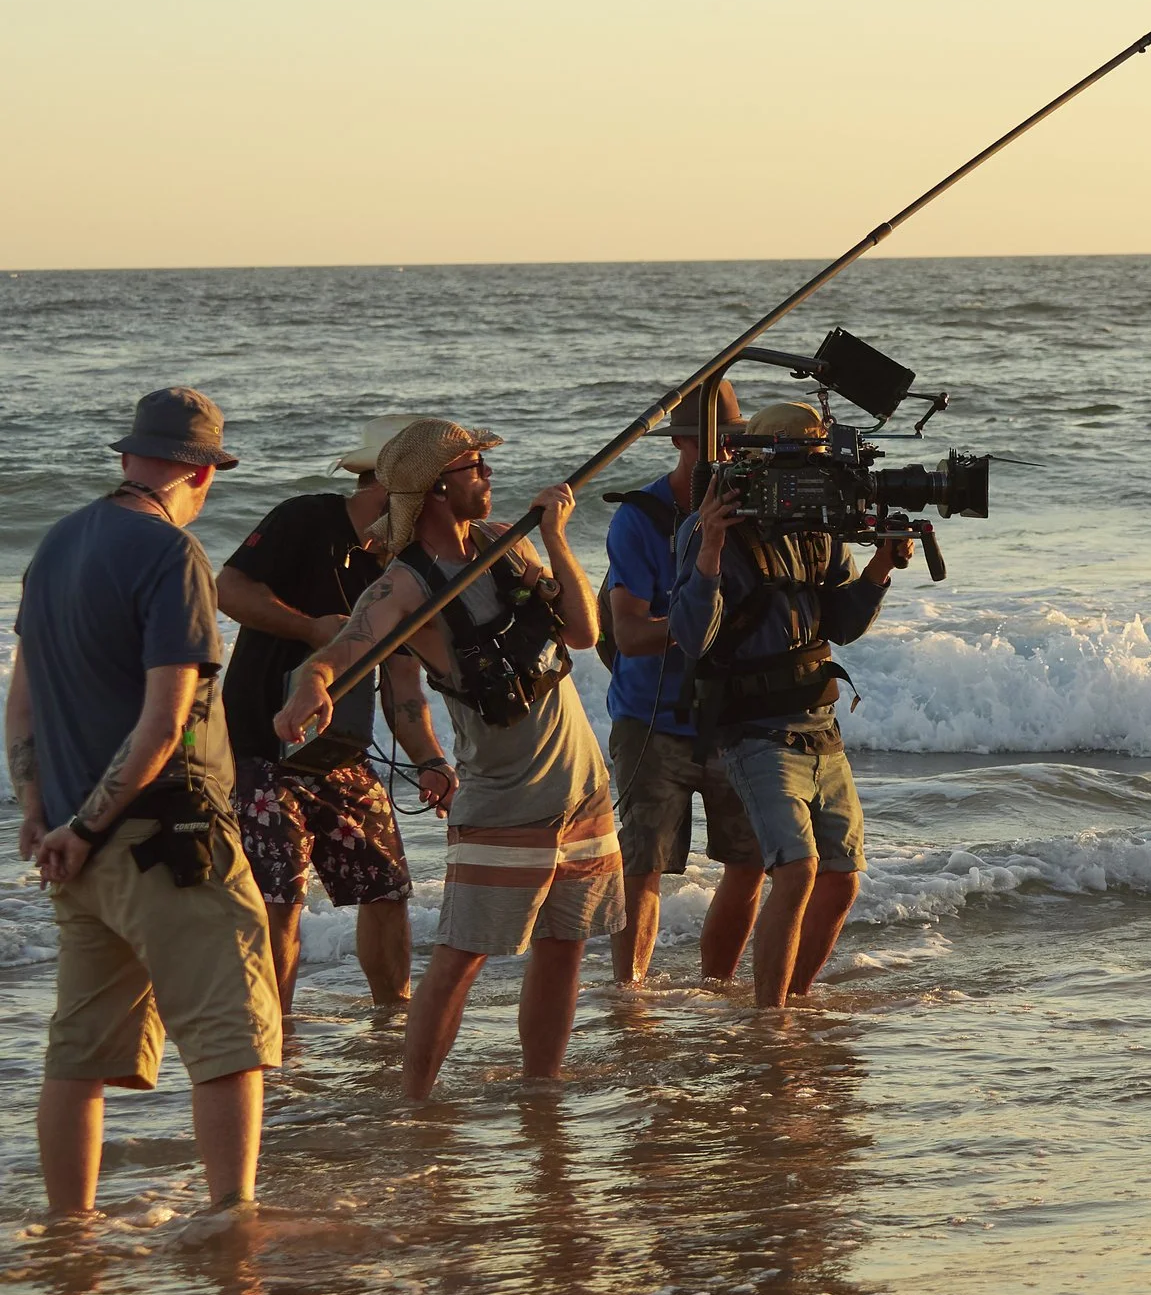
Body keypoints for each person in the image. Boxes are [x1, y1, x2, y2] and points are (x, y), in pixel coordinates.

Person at [276, 418, 624, 1100]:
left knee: (566, 945)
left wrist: (554, 537)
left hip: (583, 788)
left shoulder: (504, 544)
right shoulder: (406, 586)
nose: (488, 477)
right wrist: (309, 689)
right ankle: (414, 1102)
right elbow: (343, 651)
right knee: (461, 957)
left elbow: (584, 631)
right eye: (474, 468)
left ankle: (540, 1091)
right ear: (436, 489)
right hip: (504, 800)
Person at [7, 389, 283, 1215]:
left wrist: (41, 813)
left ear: (129, 457)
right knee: (232, 1037)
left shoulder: (54, 546)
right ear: (200, 473)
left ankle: (70, 1231)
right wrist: (91, 824)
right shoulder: (173, 555)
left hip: (70, 845)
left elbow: (21, 700)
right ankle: (234, 1221)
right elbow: (166, 717)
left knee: (78, 1055)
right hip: (166, 839)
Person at [671, 399, 907, 1008]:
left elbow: (842, 623)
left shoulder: (819, 528)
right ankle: (768, 1017)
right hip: (755, 729)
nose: (811, 480)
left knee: (841, 879)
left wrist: (881, 564)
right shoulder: (709, 528)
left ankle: (793, 999)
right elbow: (693, 637)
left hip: (820, 725)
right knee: (795, 870)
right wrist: (710, 550)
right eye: (801, 466)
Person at [218, 412, 446, 1013]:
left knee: (387, 886)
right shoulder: (304, 519)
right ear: (384, 485)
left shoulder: (400, 563)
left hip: (340, 751)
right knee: (278, 899)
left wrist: (430, 760)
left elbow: (403, 680)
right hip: (260, 749)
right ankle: (276, 1034)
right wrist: (311, 629)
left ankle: (393, 1021)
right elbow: (229, 590)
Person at [599, 383, 767, 986]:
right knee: (643, 867)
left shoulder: (755, 508)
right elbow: (629, 634)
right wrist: (698, 617)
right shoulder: (640, 518)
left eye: (736, 441)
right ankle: (631, 997)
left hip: (733, 717)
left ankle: (717, 989)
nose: (729, 455)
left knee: (749, 863)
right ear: (683, 443)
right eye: (717, 442)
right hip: (651, 717)